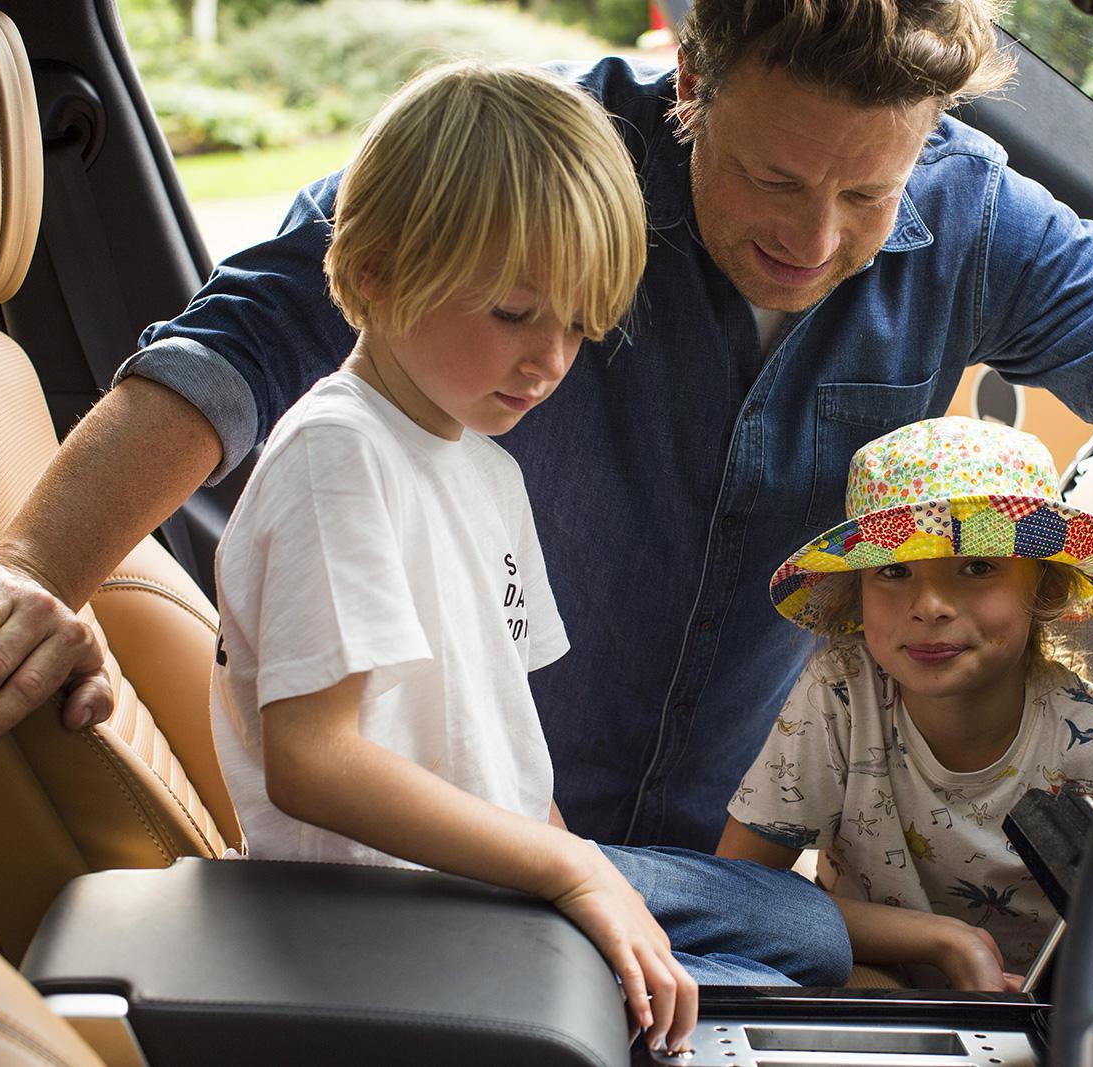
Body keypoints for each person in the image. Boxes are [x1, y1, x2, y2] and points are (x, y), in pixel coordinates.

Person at [0, 1, 1093, 853]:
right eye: (775, 182)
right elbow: (241, 337)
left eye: (869, 193)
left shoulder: (971, 211)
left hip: (702, 843)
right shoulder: (538, 170)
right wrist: (40, 563)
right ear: (689, 84)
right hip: (485, 829)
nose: (817, 236)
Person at [206, 61, 850, 1053]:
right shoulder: (339, 456)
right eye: (515, 312)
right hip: (390, 914)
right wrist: (572, 876)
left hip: (496, 877)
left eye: (581, 327)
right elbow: (313, 760)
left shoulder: (484, 465)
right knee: (770, 983)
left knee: (806, 930)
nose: (550, 360)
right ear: (373, 270)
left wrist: (566, 861)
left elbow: (511, 739)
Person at [718, 416, 1093, 990]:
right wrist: (946, 943)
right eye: (894, 570)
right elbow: (733, 893)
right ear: (857, 594)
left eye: (977, 567)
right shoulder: (842, 690)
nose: (931, 606)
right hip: (868, 986)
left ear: (1045, 586)